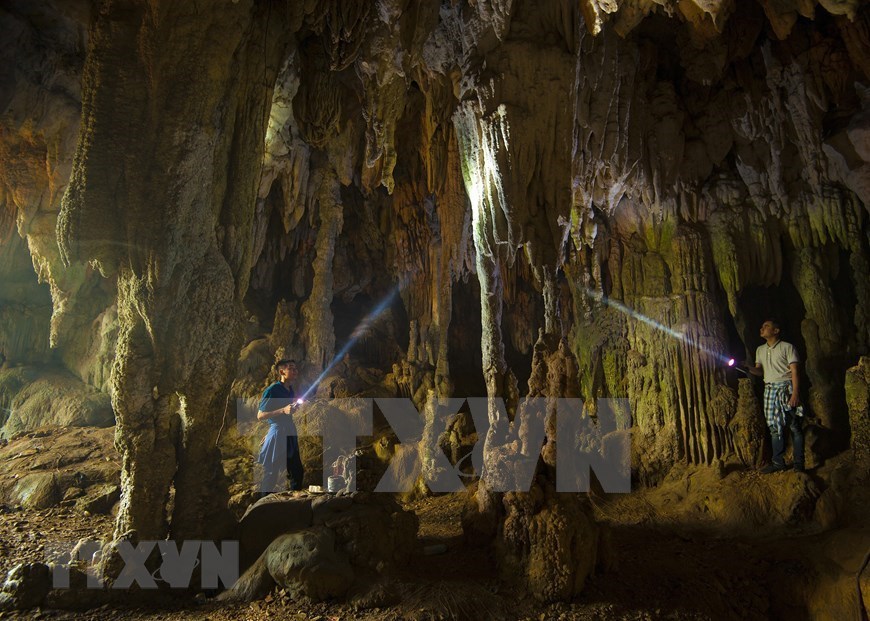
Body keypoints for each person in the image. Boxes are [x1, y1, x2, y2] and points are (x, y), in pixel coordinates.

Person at [744, 319, 805, 473]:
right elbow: (760, 372)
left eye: (766, 326)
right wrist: (748, 367)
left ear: (776, 331)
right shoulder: (760, 350)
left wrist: (795, 393)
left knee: (794, 427)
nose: (762, 328)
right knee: (774, 429)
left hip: (786, 388)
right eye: (762, 325)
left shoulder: (787, 347)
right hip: (769, 389)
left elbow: (795, 372)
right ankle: (778, 463)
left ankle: (799, 464)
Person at [257, 359, 305, 494]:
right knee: (272, 472)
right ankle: (262, 507)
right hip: (278, 433)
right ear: (282, 372)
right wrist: (283, 410)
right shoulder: (272, 390)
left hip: (289, 431)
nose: (295, 371)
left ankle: (294, 505)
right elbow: (260, 415)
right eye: (291, 368)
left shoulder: (290, 389)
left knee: (296, 471)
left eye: (296, 368)